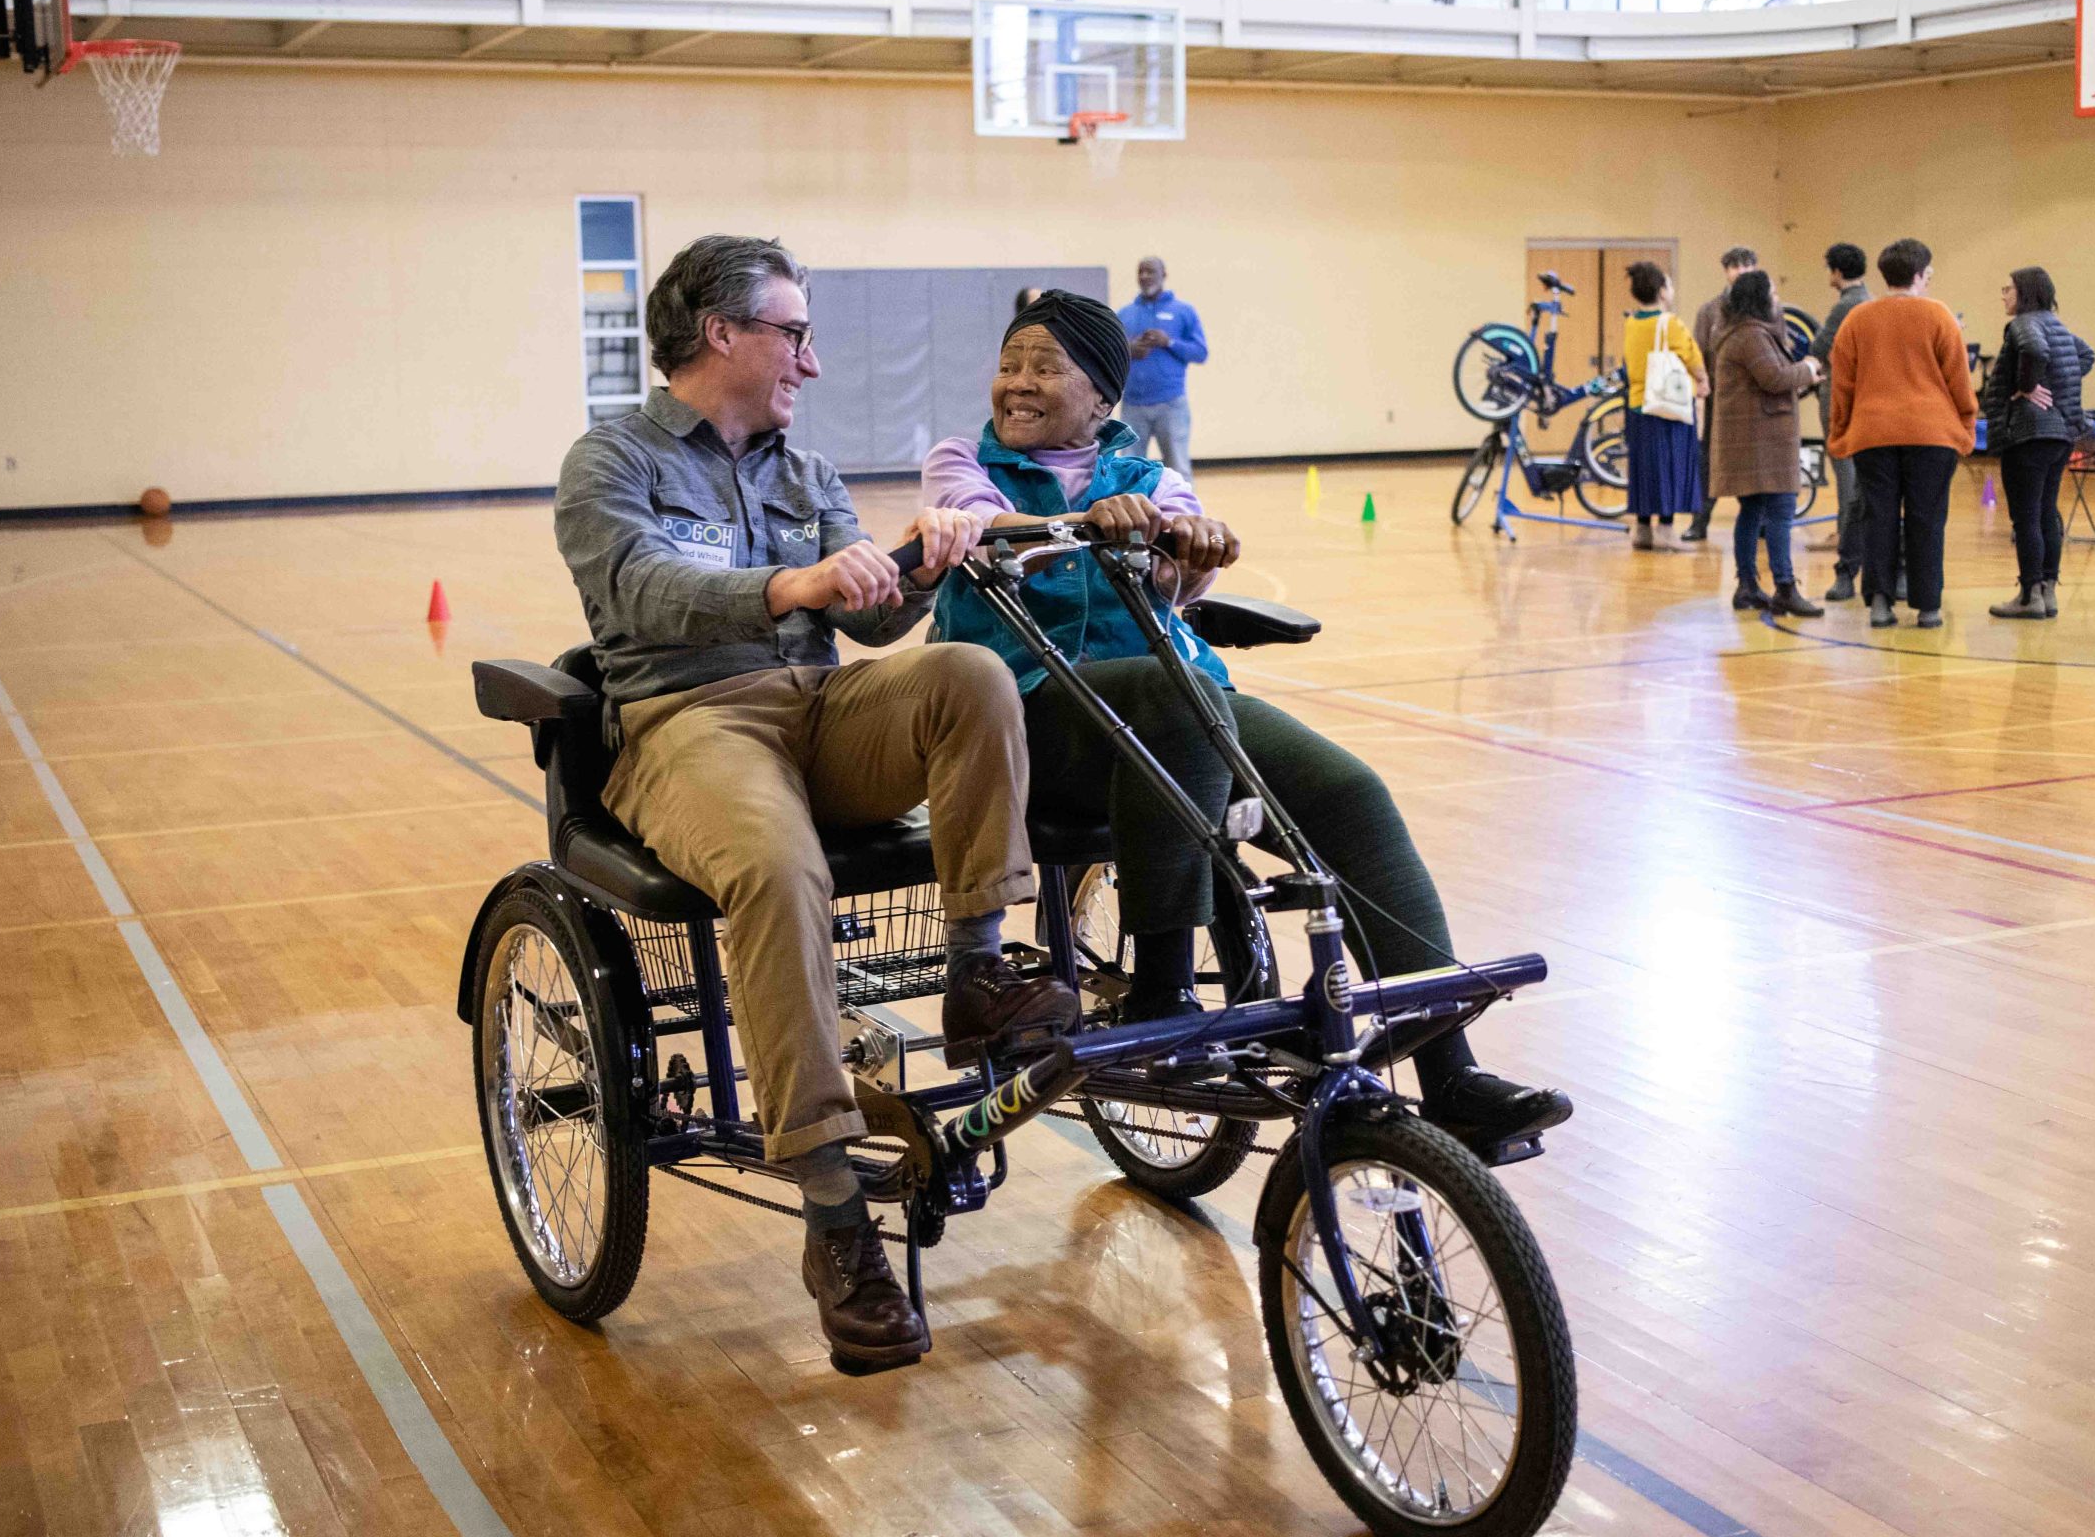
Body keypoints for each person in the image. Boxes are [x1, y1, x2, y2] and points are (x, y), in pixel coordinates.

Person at [554, 234, 1080, 1372]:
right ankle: (838, 1214)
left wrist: (922, 565)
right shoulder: (611, 460)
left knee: (969, 677)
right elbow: (638, 590)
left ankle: (981, 969)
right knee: (778, 871)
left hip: (820, 711)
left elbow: (877, 623)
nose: (812, 361)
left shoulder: (803, 469)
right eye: (795, 333)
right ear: (722, 335)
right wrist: (786, 584)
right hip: (689, 722)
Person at [921, 290, 1572, 1151]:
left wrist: (1192, 554)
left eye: (1045, 367)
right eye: (1010, 365)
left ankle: (1449, 1070)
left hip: (1169, 709)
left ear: (1103, 398)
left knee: (1347, 790)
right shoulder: (962, 458)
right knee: (1168, 694)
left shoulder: (1152, 478)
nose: (1017, 384)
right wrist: (1075, 523)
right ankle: (1163, 990)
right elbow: (970, 528)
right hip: (1030, 718)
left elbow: (1181, 577)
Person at [1828, 238, 1977, 629]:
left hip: (1873, 433)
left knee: (1878, 517)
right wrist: (1966, 427)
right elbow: (1959, 380)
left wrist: (1840, 432)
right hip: (1932, 435)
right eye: (1928, 274)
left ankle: (1880, 603)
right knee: (1927, 519)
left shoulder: (1856, 319)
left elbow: (1842, 384)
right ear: (1918, 275)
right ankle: (1928, 607)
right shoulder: (1940, 316)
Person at [1980, 267, 2095, 621]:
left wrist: (2028, 386)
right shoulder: (2056, 324)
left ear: (2025, 293)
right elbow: (2086, 355)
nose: (2003, 295)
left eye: (2007, 289)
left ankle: (2030, 595)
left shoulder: (2024, 324)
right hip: (2059, 434)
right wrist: (2058, 386)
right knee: (2047, 513)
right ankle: (2047, 591)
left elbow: (2033, 349)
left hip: (2029, 434)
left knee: (2026, 517)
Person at [1708, 269, 1825, 616]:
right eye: (1773, 294)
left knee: (1752, 511)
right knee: (1780, 512)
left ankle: (1747, 586)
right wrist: (1807, 367)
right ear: (1760, 299)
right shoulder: (1751, 336)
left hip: (1750, 440)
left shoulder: (1735, 331)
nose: (1778, 301)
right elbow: (1774, 377)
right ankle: (1784, 587)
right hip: (1764, 442)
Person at [1619, 260, 1709, 549]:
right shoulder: (1669, 323)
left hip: (1637, 404)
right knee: (1670, 466)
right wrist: (1703, 380)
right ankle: (1667, 532)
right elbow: (1691, 356)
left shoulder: (1631, 322)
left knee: (1644, 468)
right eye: (1669, 284)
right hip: (1667, 405)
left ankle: (1642, 530)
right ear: (1661, 291)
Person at [1682, 246, 1761, 541]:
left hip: (1754, 397)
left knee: (1753, 460)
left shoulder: (1768, 307)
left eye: (1746, 265)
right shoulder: (1710, 310)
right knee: (1710, 460)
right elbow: (1698, 352)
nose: (1740, 271)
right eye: (1734, 266)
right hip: (1719, 397)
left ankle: (1761, 522)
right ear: (1726, 272)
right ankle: (1699, 520)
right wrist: (1702, 386)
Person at [1811, 243, 1872, 600]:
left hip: (1840, 400)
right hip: (1863, 401)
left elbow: (1817, 351)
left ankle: (1846, 539)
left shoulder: (1845, 306)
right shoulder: (1870, 300)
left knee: (1846, 475)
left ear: (1836, 272)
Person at [1116, 256, 1206, 476]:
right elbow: (1110, 353)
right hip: (1133, 405)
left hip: (1171, 404)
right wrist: (1129, 349)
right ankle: (1134, 511)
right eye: (1141, 272)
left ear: (1163, 275)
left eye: (1150, 272)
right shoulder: (1124, 314)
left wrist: (1169, 342)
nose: (1145, 277)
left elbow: (1200, 353)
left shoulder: (1183, 311)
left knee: (1178, 468)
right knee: (1129, 470)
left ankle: (1182, 510)